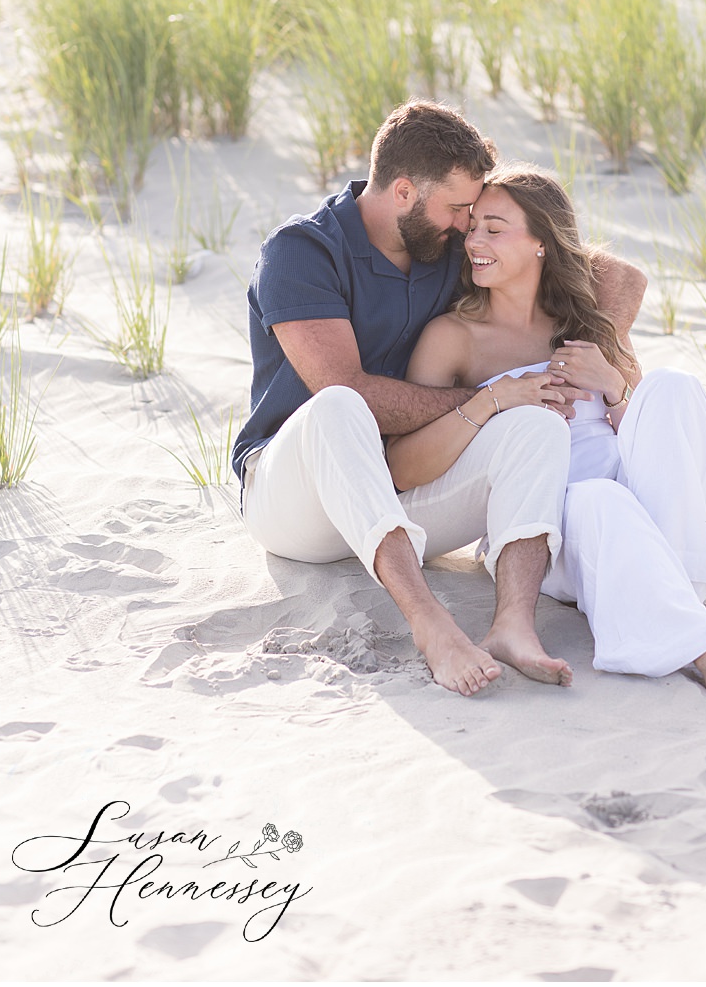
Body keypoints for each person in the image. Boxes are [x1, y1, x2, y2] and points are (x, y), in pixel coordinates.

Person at [236, 100, 642, 697]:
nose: (466, 225)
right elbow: (348, 391)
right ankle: (432, 626)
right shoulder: (303, 253)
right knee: (339, 406)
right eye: (457, 209)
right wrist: (488, 398)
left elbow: (619, 276)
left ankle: (513, 626)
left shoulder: (444, 242)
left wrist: (578, 358)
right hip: (297, 502)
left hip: (404, 488)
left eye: (473, 213)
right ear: (403, 191)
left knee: (536, 423)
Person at [386, 163, 706, 704]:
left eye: (494, 227)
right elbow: (404, 466)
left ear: (541, 245)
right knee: (600, 500)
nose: (474, 242)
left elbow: (648, 441)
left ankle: (673, 587)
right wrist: (495, 403)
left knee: (672, 388)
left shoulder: (582, 326)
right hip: (553, 533)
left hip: (639, 514)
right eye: (472, 227)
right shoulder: (455, 336)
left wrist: (612, 388)